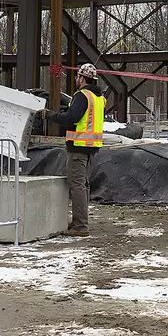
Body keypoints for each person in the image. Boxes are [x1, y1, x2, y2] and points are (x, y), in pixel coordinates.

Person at [49, 62, 105, 236]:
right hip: (91, 147)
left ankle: (80, 226)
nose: (76, 79)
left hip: (79, 146)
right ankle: (80, 221)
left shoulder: (82, 95)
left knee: (77, 185)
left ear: (82, 78)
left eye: (77, 76)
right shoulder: (99, 97)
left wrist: (51, 115)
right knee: (84, 185)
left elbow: (72, 118)